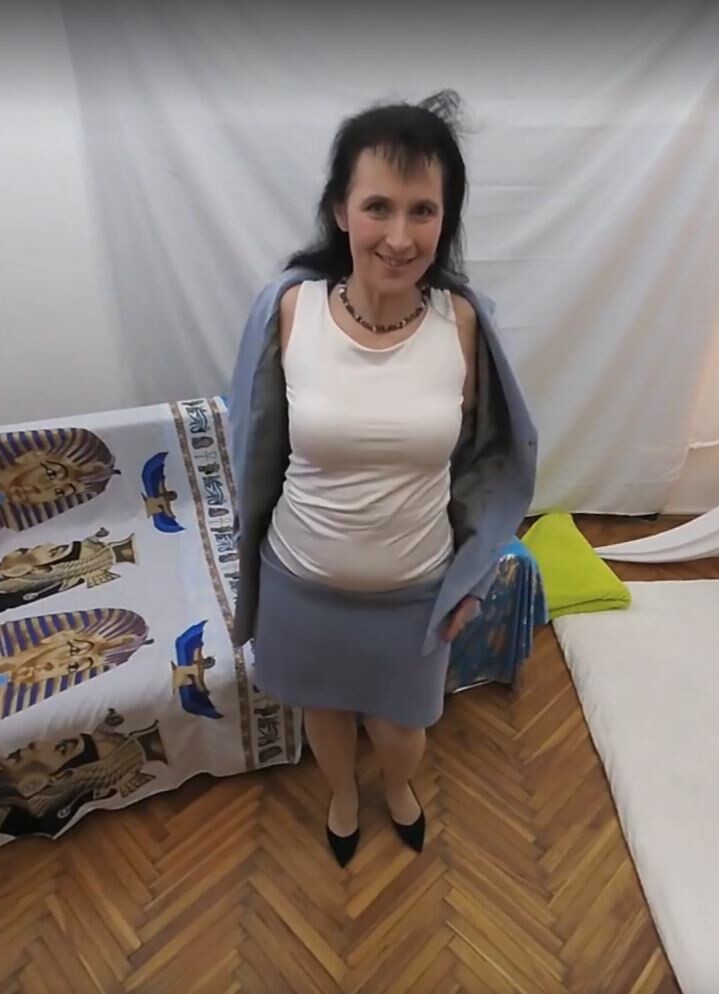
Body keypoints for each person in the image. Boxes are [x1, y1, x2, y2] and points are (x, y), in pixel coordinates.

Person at [226, 91, 537, 867]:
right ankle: (341, 795)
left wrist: (472, 576)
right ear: (340, 210)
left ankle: (397, 787)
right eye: (378, 207)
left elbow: (490, 462)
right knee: (327, 712)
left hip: (414, 594)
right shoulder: (288, 310)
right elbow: (255, 445)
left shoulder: (464, 324)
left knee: (403, 728)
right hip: (302, 580)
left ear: (445, 218)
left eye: (422, 211)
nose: (400, 237)